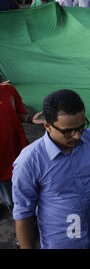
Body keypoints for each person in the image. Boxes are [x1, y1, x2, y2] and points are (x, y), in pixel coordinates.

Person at [12, 89, 90, 249]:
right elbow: (23, 214)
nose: (77, 136)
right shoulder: (29, 161)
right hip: (61, 240)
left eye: (81, 126)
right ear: (47, 126)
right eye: (68, 131)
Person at [0, 76, 42, 216]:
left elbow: (17, 114)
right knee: (14, 201)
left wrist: (30, 119)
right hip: (2, 166)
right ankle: (26, 230)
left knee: (34, 191)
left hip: (20, 153)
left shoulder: (8, 90)